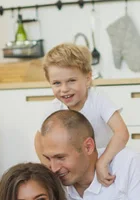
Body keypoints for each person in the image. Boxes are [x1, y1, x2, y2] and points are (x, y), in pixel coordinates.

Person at [34, 43, 130, 187]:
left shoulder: (98, 100)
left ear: (88, 78)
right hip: (75, 172)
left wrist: (102, 162)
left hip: (106, 164)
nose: (64, 89)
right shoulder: (54, 108)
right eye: (56, 83)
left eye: (71, 81)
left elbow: (121, 132)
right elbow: (38, 140)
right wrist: (51, 169)